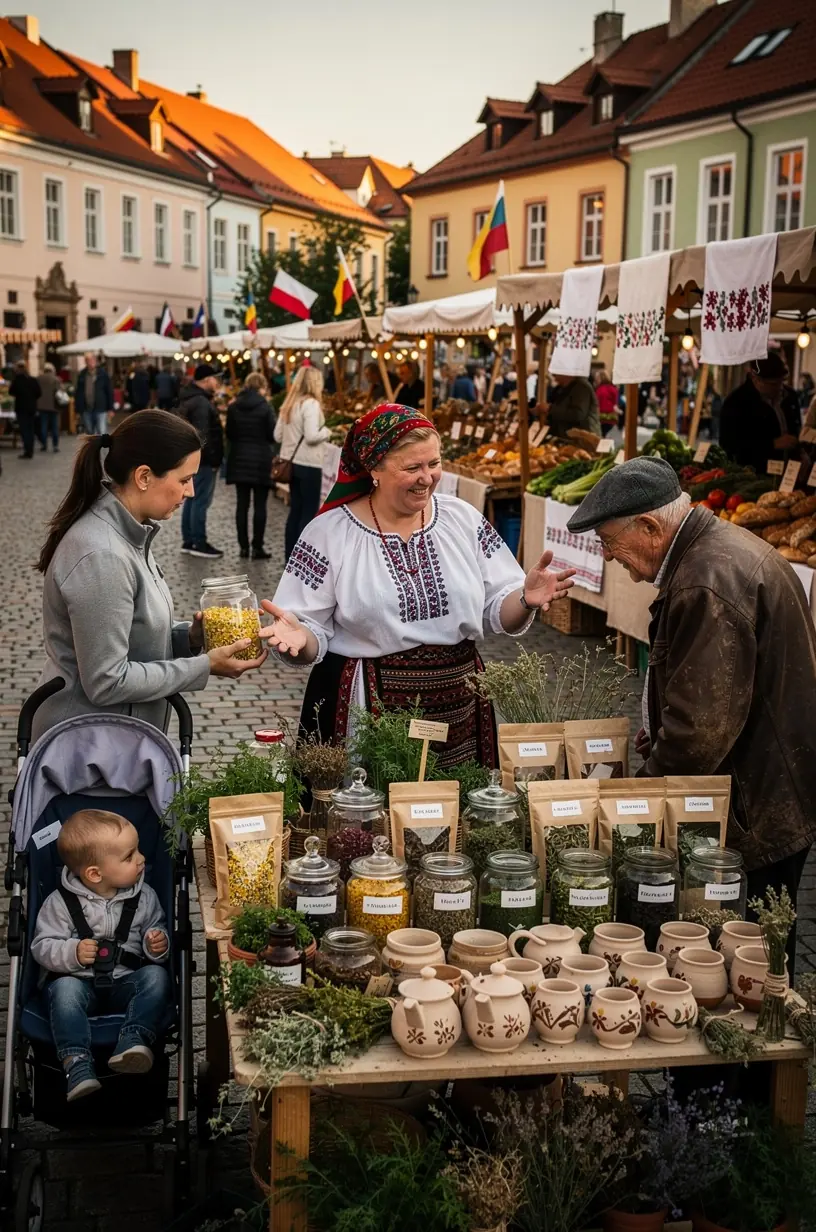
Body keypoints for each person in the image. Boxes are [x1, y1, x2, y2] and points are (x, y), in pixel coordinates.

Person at [566, 455, 816, 969]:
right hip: (772, 784)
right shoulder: (717, 551)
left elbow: (700, 731)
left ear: (651, 526)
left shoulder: (707, 580)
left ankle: (751, 1045)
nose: (611, 558)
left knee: (745, 955)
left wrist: (635, 806)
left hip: (756, 804)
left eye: (611, 544)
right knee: (759, 948)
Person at [260, 405, 575, 767]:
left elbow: (497, 608)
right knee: (366, 813)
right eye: (412, 468)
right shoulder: (330, 533)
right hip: (367, 703)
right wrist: (301, 640)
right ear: (374, 468)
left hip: (459, 701)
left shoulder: (461, 518)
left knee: (459, 812)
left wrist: (525, 598)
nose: (427, 477)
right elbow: (306, 628)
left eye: (434, 464)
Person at [33, 411, 265, 739]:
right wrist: (204, 666)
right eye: (184, 479)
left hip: (117, 743)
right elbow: (106, 681)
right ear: (144, 477)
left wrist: (192, 638)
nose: (191, 492)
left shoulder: (129, 533)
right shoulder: (103, 554)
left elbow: (132, 639)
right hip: (88, 754)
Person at [31, 809, 173, 1101]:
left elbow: (156, 926)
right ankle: (77, 1063)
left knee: (157, 977)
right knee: (64, 990)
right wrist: (72, 952)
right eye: (129, 856)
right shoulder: (59, 903)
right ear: (95, 873)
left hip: (126, 982)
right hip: (78, 983)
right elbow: (41, 945)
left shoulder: (144, 896)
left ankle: (133, 1039)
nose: (141, 858)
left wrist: (156, 943)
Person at [274, 365, 330, 561]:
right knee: (308, 512)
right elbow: (312, 436)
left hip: (291, 464)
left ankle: (290, 556)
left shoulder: (289, 404)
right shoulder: (311, 404)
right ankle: (302, 558)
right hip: (309, 464)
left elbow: (277, 435)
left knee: (295, 511)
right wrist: (327, 432)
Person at [719, 353, 801, 474]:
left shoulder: (790, 396)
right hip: (754, 476)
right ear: (755, 379)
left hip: (791, 473)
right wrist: (772, 444)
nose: (779, 388)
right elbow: (729, 444)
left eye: (782, 381)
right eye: (773, 384)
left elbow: (797, 429)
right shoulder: (735, 403)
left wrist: (802, 453)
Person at [226, 371, 276, 560]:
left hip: (239, 459)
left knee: (242, 505)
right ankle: (257, 547)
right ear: (261, 386)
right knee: (260, 506)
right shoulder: (265, 407)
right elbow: (272, 435)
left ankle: (243, 547)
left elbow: (230, 434)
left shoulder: (234, 406)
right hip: (261, 460)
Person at [177, 363, 225, 558]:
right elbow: (203, 436)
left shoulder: (193, 398)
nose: (217, 382)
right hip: (203, 462)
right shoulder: (201, 403)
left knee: (192, 499)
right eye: (215, 378)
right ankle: (198, 542)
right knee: (200, 501)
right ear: (206, 380)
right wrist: (213, 460)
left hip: (194, 460)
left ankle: (189, 540)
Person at [545, 373, 601, 438]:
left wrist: (550, 409)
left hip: (583, 439)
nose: (554, 377)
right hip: (567, 437)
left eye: (556, 374)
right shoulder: (561, 388)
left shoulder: (581, 387)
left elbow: (578, 414)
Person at [74, 353, 114, 437]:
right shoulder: (82, 374)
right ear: (86, 362)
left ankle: (102, 449)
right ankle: (94, 449)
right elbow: (78, 393)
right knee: (89, 432)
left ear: (95, 361)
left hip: (100, 407)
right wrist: (77, 410)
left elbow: (109, 391)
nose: (91, 362)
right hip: (86, 408)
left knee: (101, 431)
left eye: (92, 360)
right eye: (88, 360)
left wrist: (110, 408)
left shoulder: (103, 374)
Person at [9, 360, 41, 459]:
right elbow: (39, 393)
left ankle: (27, 450)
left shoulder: (17, 380)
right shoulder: (32, 379)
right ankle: (30, 450)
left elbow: (11, 392)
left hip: (21, 408)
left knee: (24, 430)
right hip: (31, 408)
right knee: (30, 430)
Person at [37, 361, 63, 453]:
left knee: (43, 426)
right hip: (54, 406)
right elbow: (60, 392)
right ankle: (55, 445)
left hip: (42, 406)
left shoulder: (39, 378)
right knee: (54, 427)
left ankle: (44, 445)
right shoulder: (56, 379)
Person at [594, 368, 619, 437]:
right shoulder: (613, 388)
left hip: (601, 418)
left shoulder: (599, 390)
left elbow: (597, 404)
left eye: (597, 378)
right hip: (611, 418)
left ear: (602, 378)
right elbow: (615, 403)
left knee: (601, 436)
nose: (596, 380)